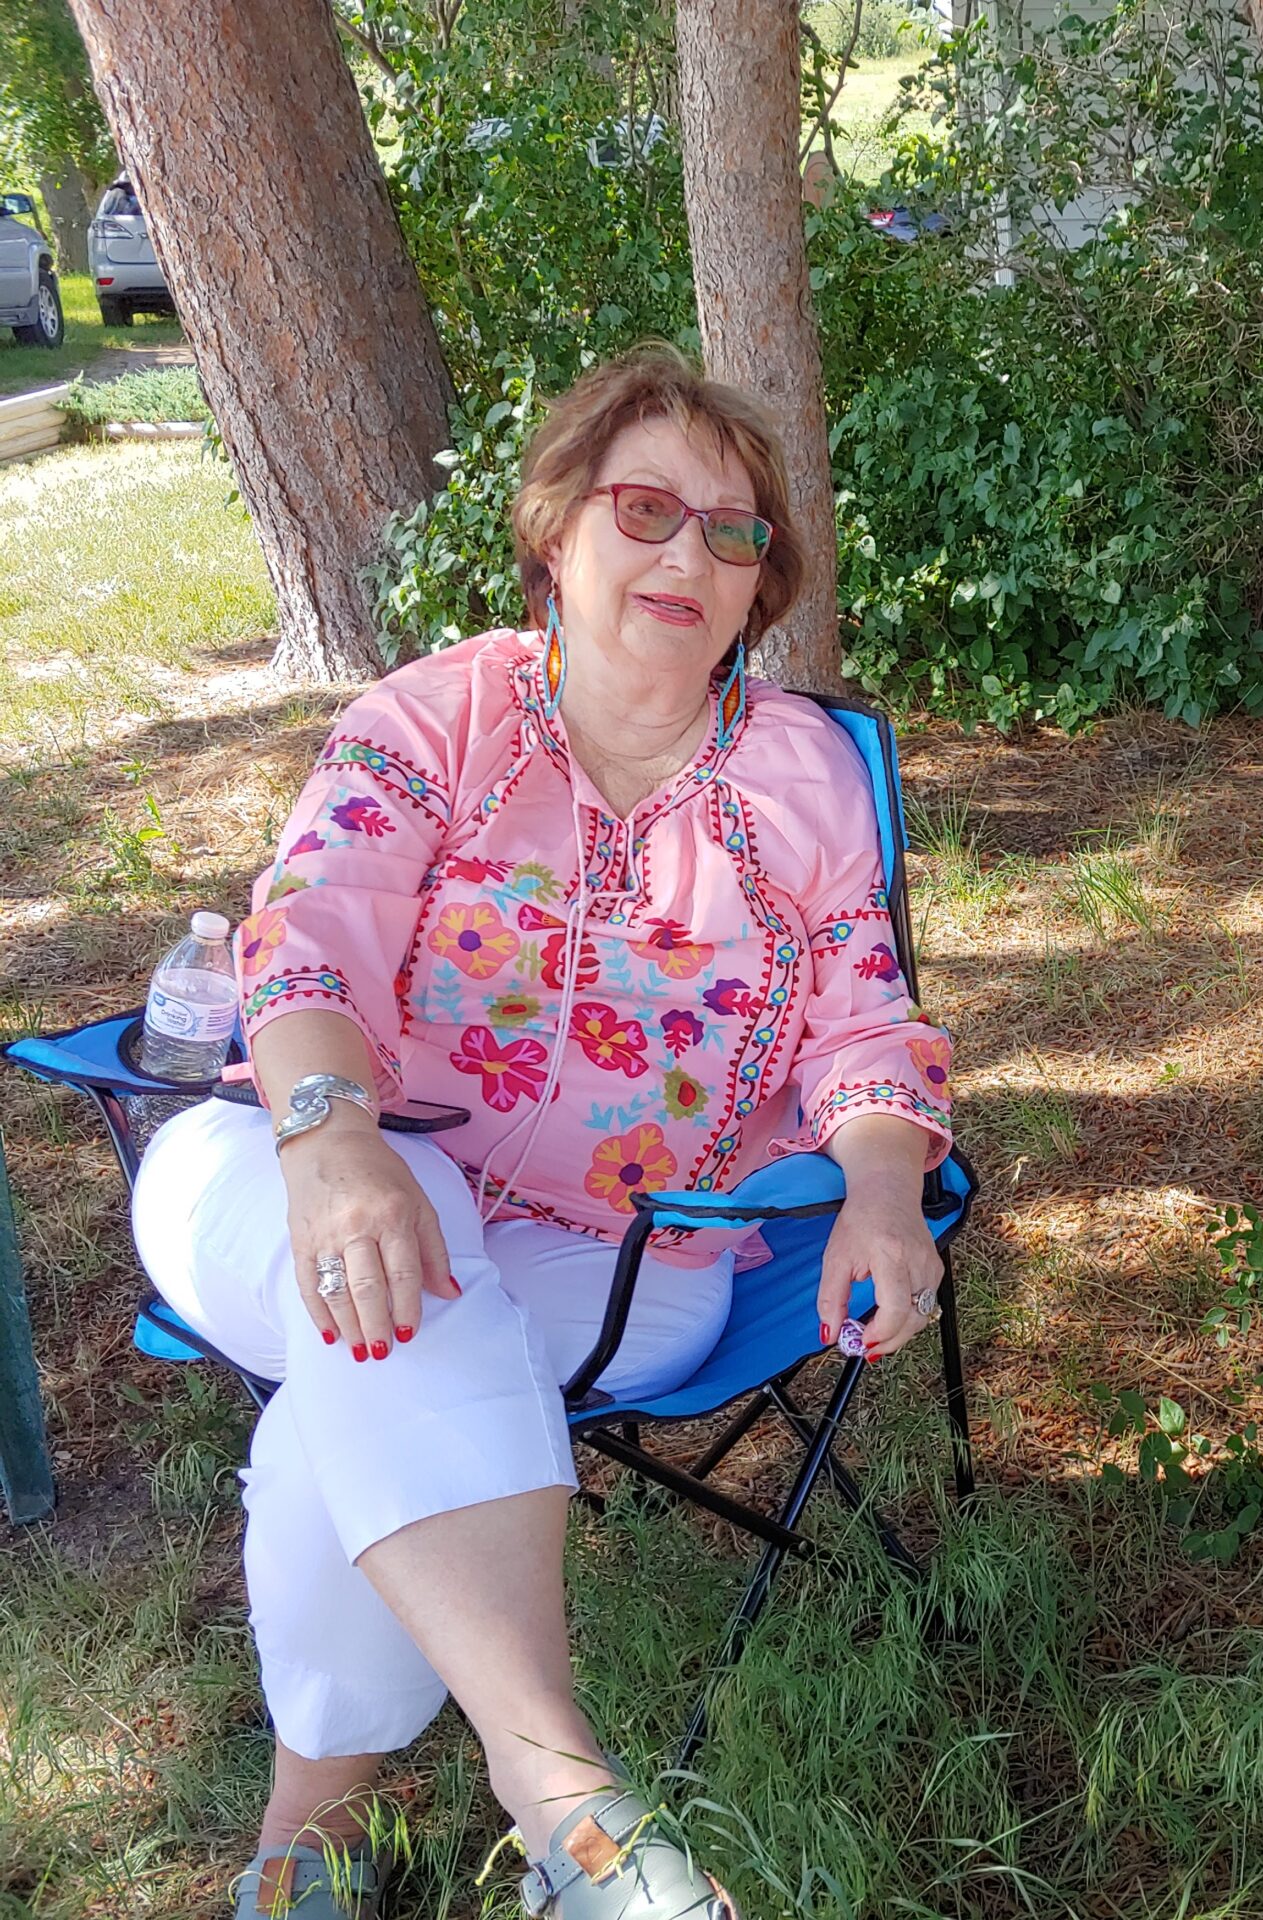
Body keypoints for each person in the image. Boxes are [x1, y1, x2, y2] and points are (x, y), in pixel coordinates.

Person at [132, 343, 957, 1920]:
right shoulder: (439, 716)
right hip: (293, 1165)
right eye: (645, 509)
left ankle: (307, 1849)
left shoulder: (801, 781)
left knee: (350, 1371)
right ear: (556, 529)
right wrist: (331, 1136)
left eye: (732, 534)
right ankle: (560, 1794)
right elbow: (306, 940)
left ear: (757, 586)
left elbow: (863, 1022)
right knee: (384, 1252)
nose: (687, 556)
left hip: (625, 1255)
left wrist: (878, 1193)